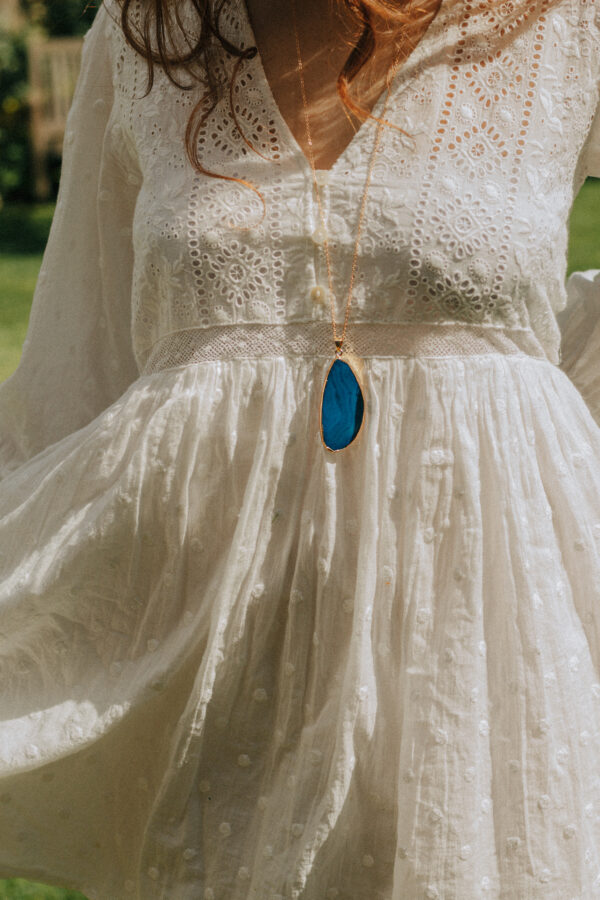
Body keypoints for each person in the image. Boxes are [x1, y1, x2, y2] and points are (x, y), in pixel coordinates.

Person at [1, 0, 600, 896]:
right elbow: (70, 388)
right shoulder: (142, 36)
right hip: (231, 694)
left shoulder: (571, 27)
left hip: (483, 673)